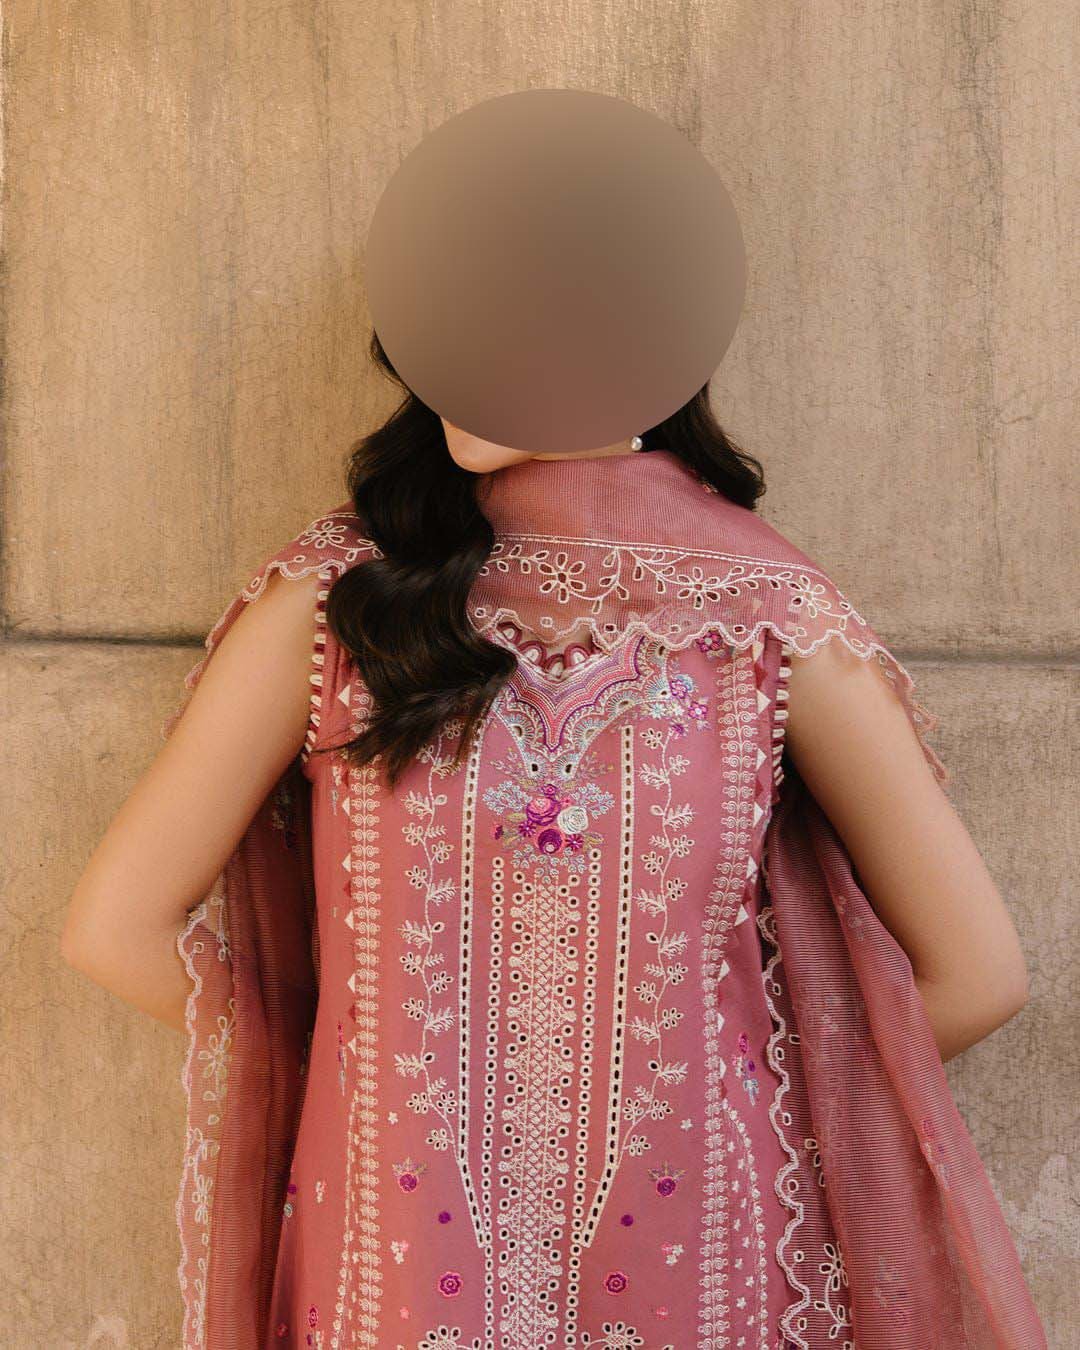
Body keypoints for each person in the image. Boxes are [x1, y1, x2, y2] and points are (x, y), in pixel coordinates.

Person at [61, 331, 1046, 1349]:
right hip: (401, 1268)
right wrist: (354, 1074)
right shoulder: (347, 593)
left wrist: (740, 1108)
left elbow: (975, 975)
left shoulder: (762, 615)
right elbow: (120, 930)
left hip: (694, 1275)